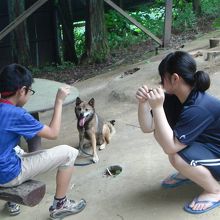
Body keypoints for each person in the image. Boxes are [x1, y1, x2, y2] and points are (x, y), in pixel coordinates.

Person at [136, 51, 220, 214]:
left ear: (175, 78)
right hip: (209, 147)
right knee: (162, 132)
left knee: (177, 156)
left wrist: (157, 107)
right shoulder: (175, 97)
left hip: (216, 150)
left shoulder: (199, 106)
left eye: (162, 78)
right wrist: (143, 104)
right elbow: (148, 127)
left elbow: (170, 148)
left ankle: (215, 190)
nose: (160, 83)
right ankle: (191, 172)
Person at [0, 63, 86, 219]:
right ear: (22, 91)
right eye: (29, 91)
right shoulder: (17, 114)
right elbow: (53, 133)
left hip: (4, 161)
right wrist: (58, 101)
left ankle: (12, 201)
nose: (29, 95)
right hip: (6, 175)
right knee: (69, 153)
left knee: (18, 145)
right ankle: (60, 205)